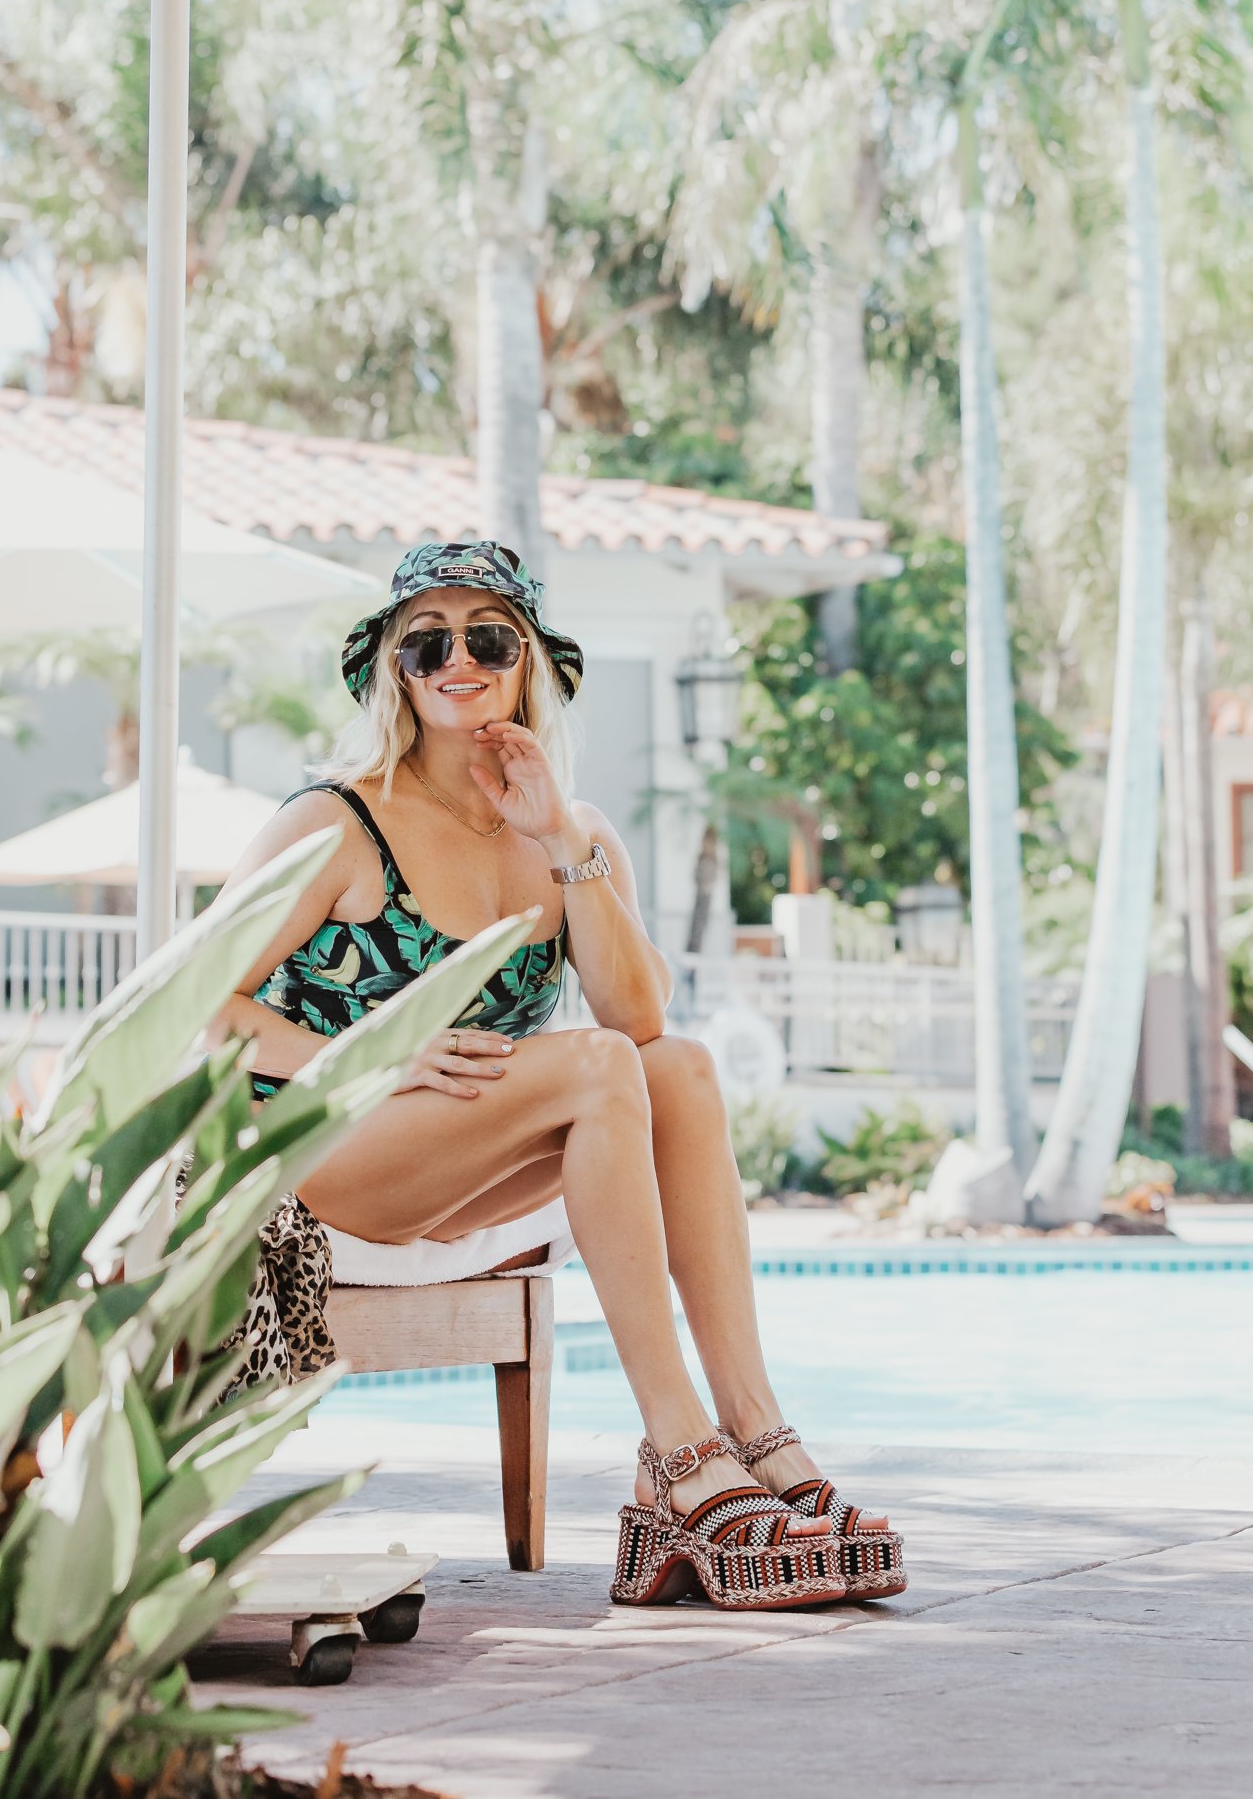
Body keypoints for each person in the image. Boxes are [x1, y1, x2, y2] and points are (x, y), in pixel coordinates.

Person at [213, 539, 904, 1610]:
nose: (457, 659)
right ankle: (678, 1450)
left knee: (675, 1069)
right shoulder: (334, 820)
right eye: (425, 641)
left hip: (458, 1165)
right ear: (390, 669)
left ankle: (752, 1426)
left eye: (487, 637)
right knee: (594, 1068)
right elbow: (197, 1012)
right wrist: (371, 1055)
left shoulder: (569, 832)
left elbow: (638, 1017)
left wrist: (557, 837)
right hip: (318, 1159)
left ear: (528, 660)